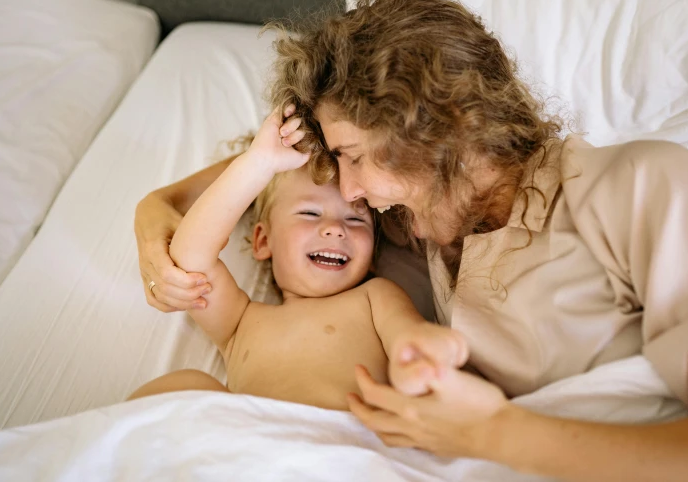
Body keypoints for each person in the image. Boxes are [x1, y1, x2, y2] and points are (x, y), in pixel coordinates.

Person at [134, 0, 688, 481]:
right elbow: (290, 185)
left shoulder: (642, 186)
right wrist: (158, 205)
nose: (349, 196)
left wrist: (492, 433)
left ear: (427, 126)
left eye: (353, 154)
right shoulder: (421, 225)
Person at [129, 106, 469, 409]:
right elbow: (191, 257)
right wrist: (257, 164)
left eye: (356, 219)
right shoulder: (239, 321)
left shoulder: (375, 296)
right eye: (309, 213)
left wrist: (421, 355)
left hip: (341, 442)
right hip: (250, 444)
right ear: (263, 240)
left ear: (374, 254)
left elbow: (407, 337)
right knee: (187, 385)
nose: (336, 229)